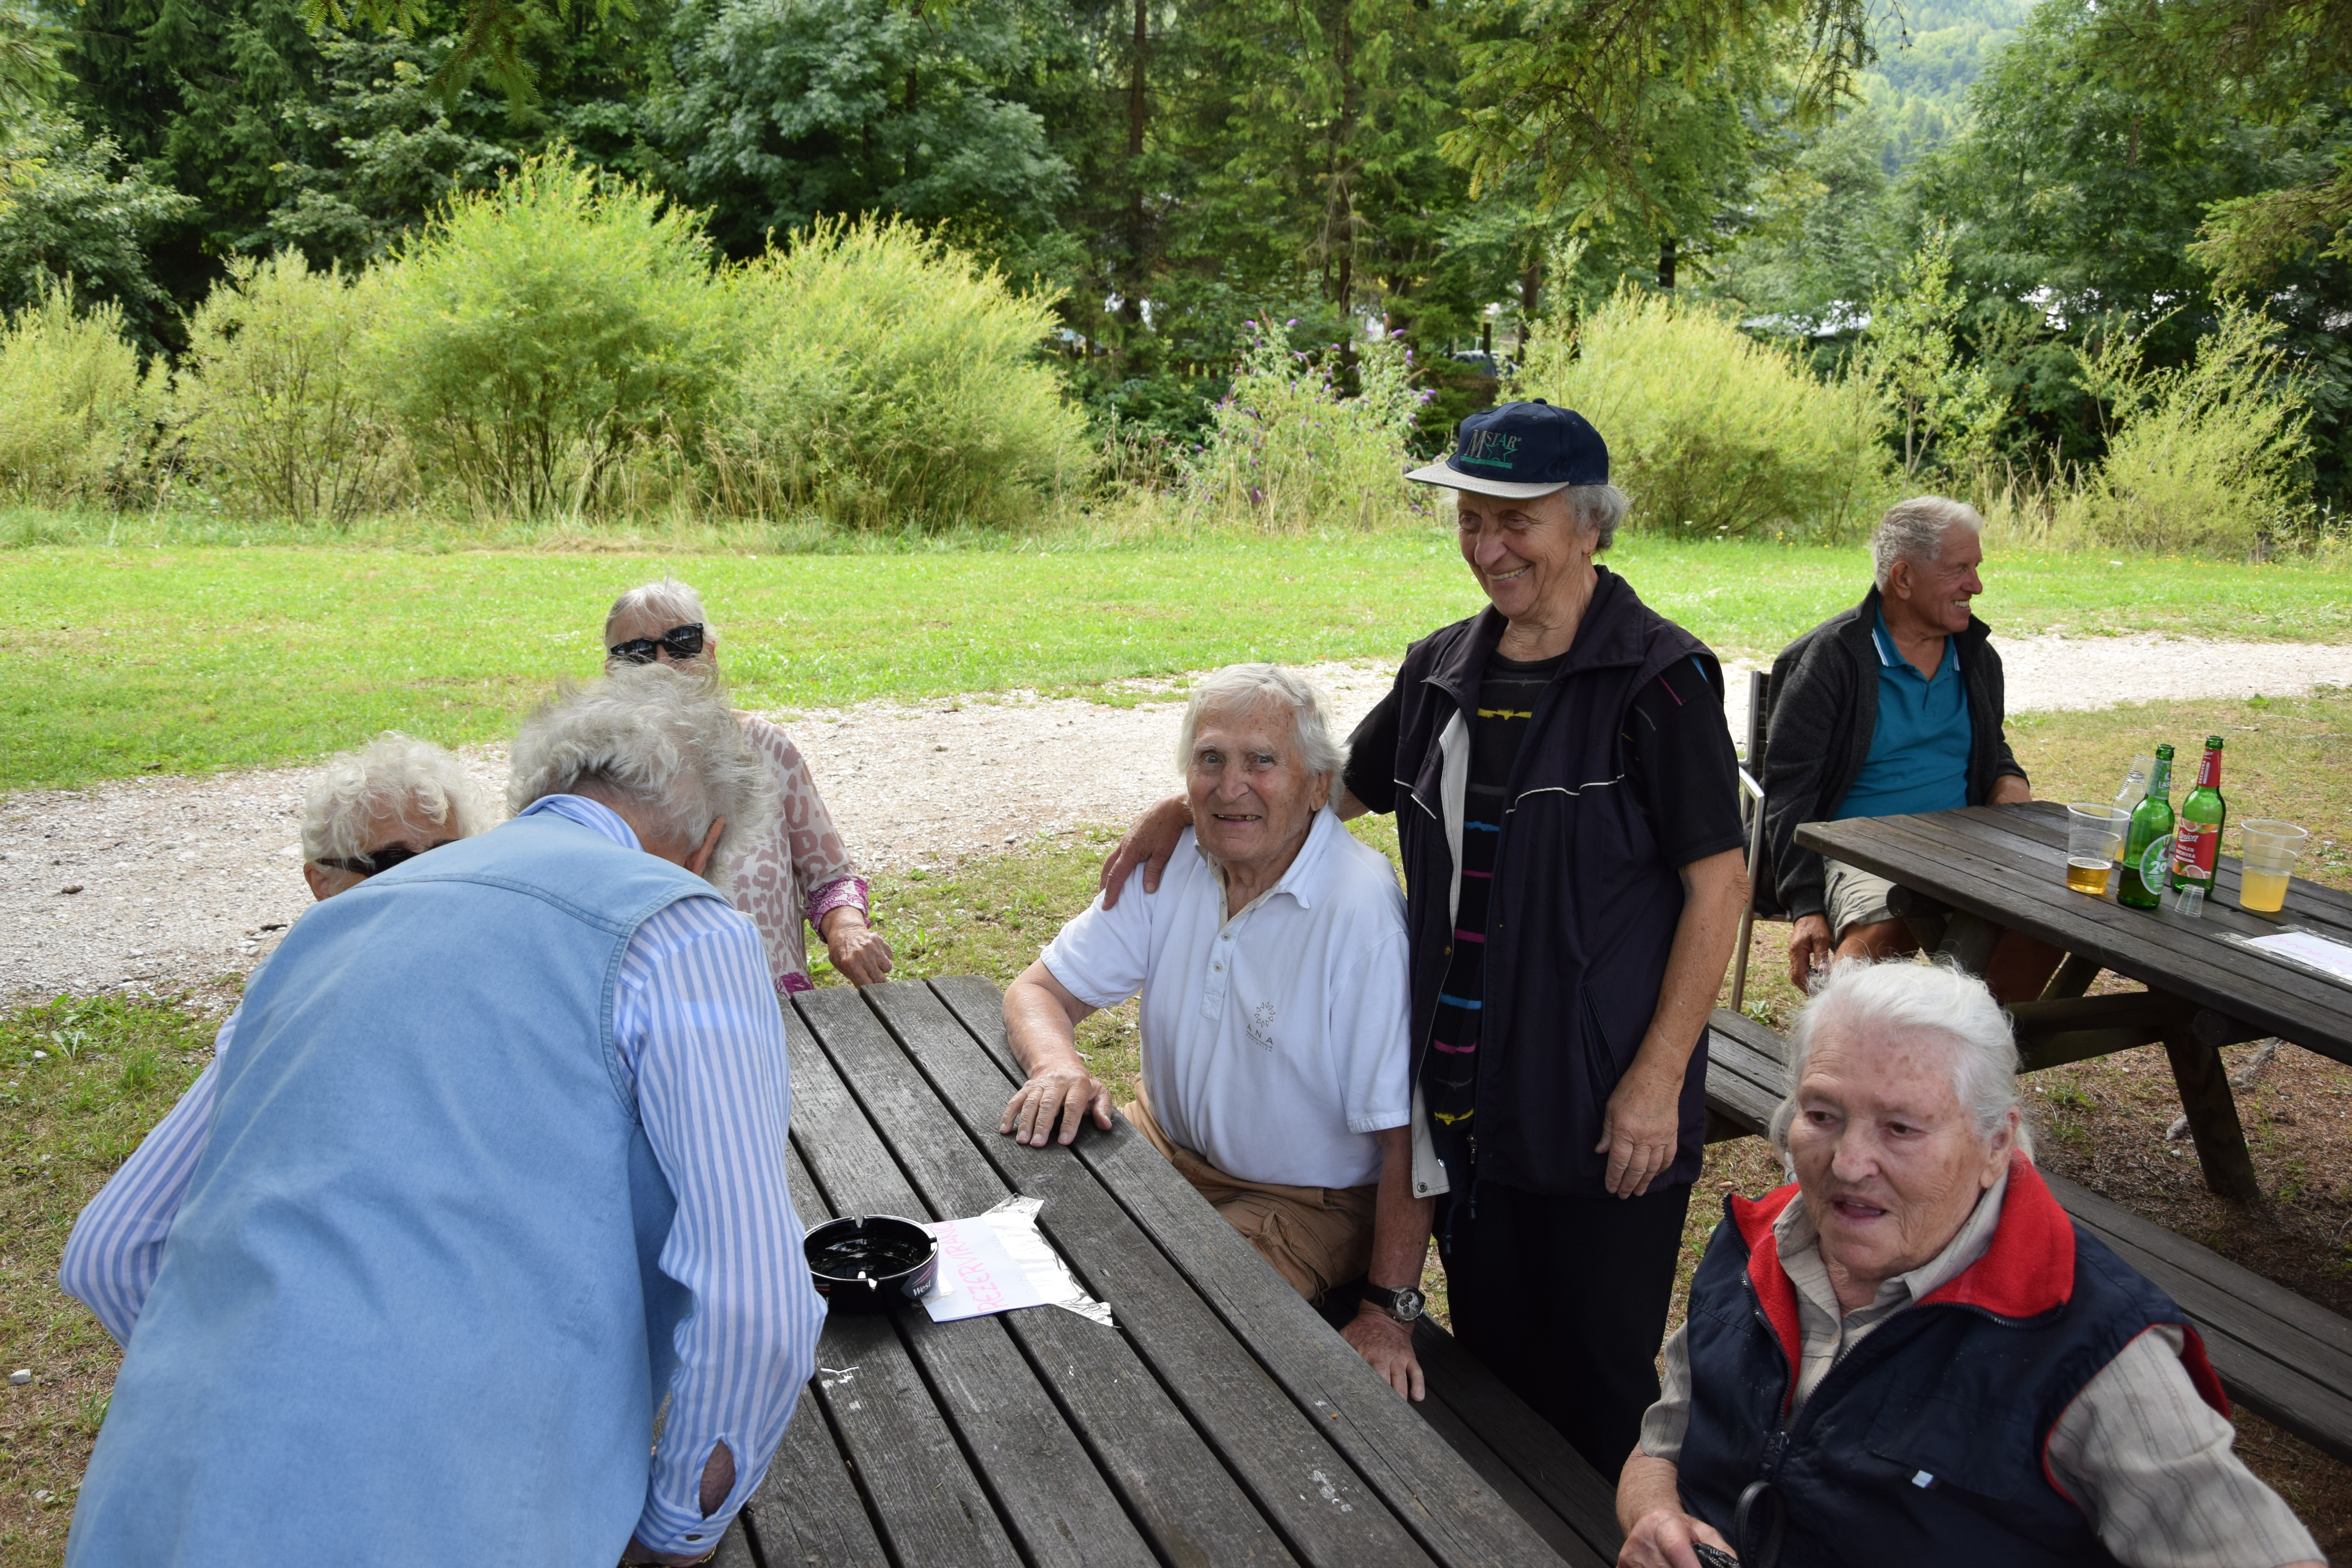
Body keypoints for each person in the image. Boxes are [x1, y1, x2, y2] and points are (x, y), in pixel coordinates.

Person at [1100, 402, 1749, 1471]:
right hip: (1466, 1104)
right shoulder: (1442, 670)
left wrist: (1658, 1075)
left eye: (1517, 521)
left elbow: (1720, 886)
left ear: (1588, 525)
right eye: (1470, 517)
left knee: (1594, 1384)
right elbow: (1326, 793)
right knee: (1493, 1377)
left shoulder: (1658, 680)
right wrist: (1190, 807)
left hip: (1600, 1105)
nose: (1487, 546)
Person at [60, 666, 825, 1568]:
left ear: (538, 794)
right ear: (708, 848)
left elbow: (111, 1249)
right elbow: (756, 1307)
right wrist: (676, 1530)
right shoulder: (682, 929)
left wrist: (276, 1389)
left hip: (154, 1514)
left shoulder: (322, 932)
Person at [1618, 959, 2323, 1568]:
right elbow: (1663, 1444)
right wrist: (1654, 1519)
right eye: (1824, 1114)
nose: (1849, 1164)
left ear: (1996, 1145)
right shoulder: (1754, 1244)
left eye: (1902, 1128)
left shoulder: (2090, 1346)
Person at [1000, 664, 1429, 1398]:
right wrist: (1055, 1067)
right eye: (1211, 760)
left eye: (1263, 761)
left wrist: (1388, 1313)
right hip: (1161, 1144)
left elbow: (1407, 1141)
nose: (1232, 787)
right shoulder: (1181, 860)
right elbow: (1038, 991)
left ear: (1318, 786)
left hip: (1303, 1200)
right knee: (1023, 1255)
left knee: (1176, 1341)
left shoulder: (1359, 912)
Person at [61, 733, 490, 1343]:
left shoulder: (487, 985)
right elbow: (112, 1253)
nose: (430, 883)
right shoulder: (299, 1016)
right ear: (323, 884)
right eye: (393, 863)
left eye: (448, 855)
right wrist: (213, 1384)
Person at [1765, 496, 2054, 1002]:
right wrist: (1806, 905)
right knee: (1892, 921)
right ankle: (1834, 1050)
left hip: (1962, 849)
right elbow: (1790, 794)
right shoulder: (1832, 662)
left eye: (1977, 568)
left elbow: (1989, 746)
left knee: (2046, 921)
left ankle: (1969, 1054)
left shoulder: (1978, 659)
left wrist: (2009, 777)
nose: (1977, 585)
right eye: (1960, 569)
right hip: (1861, 849)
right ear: (1903, 578)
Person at [603, 579, 892, 991]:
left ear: (711, 652)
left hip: (778, 1002)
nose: (664, 663)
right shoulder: (598, 773)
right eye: (638, 651)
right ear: (613, 672)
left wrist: (846, 929)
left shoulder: (768, 747)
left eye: (683, 641)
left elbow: (829, 876)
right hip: (660, 1010)